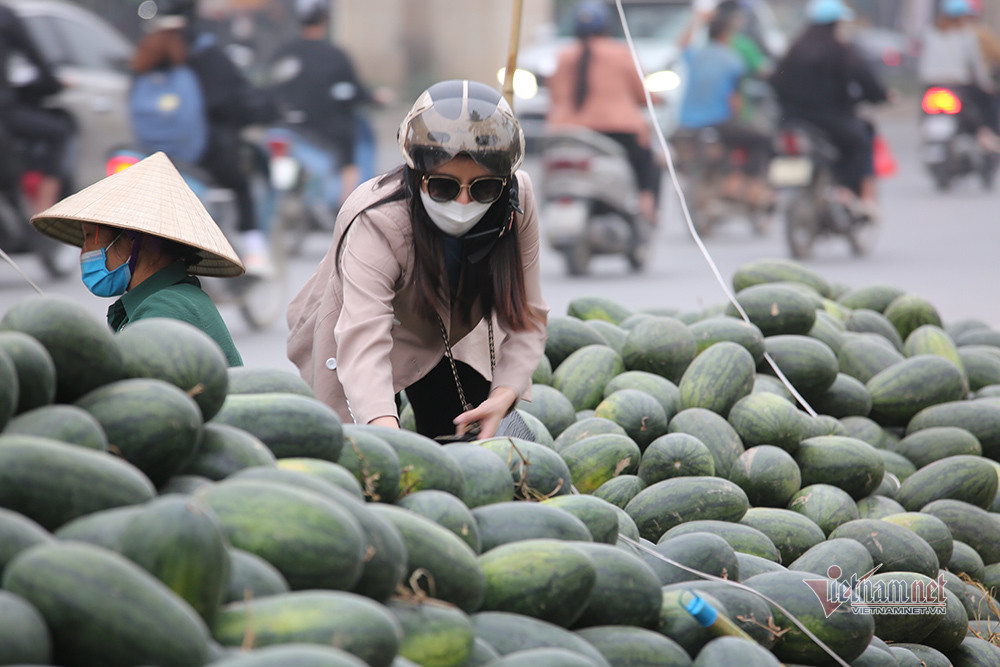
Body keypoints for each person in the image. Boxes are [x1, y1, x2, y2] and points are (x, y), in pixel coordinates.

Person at [287, 80, 548, 440]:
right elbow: (363, 340)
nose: (463, 204)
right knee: (363, 462)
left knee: (466, 450)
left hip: (451, 329)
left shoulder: (518, 201)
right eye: (443, 186)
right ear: (416, 174)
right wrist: (388, 437)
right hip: (353, 332)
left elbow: (527, 315)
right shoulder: (376, 218)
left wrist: (503, 394)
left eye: (483, 188)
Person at [29, 151, 245, 367]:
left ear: (133, 241)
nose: (84, 252)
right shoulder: (161, 300)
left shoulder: (165, 309)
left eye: (88, 238)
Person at [131, 0, 278, 276]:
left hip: (151, 152)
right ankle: (254, 249)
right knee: (240, 182)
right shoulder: (205, 52)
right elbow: (229, 101)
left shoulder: (148, 50)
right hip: (203, 154)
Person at [770, 0, 890, 219]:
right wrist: (882, 96)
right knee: (862, 143)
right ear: (836, 22)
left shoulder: (795, 49)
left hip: (791, 120)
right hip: (829, 120)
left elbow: (775, 82)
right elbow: (866, 81)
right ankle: (851, 192)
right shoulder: (840, 50)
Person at [546, 1, 661, 224]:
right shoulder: (620, 54)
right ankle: (646, 207)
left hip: (567, 132)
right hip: (618, 132)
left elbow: (554, 95)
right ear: (607, 27)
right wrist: (657, 99)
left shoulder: (563, 56)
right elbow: (643, 94)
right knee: (649, 160)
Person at [266, 0, 388, 208]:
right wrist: (376, 96)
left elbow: (270, 84)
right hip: (322, 132)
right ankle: (348, 206)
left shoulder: (283, 51)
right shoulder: (335, 56)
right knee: (352, 148)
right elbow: (355, 90)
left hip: (283, 127)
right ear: (325, 19)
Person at [676, 5, 774, 208]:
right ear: (725, 35)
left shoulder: (697, 55)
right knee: (759, 139)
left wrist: (697, 20)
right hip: (718, 121)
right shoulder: (733, 60)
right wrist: (740, 118)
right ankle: (741, 181)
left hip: (687, 122)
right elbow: (734, 99)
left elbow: (681, 44)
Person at [0, 4, 73, 216]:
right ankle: (43, 212)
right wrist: (54, 84)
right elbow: (38, 62)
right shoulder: (6, 17)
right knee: (59, 132)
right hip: (5, 112)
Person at [918, 0, 1000, 148]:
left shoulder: (930, 32)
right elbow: (976, 64)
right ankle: (986, 135)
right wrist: (987, 85)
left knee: (924, 110)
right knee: (984, 105)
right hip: (958, 85)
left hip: (931, 85)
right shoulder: (967, 34)